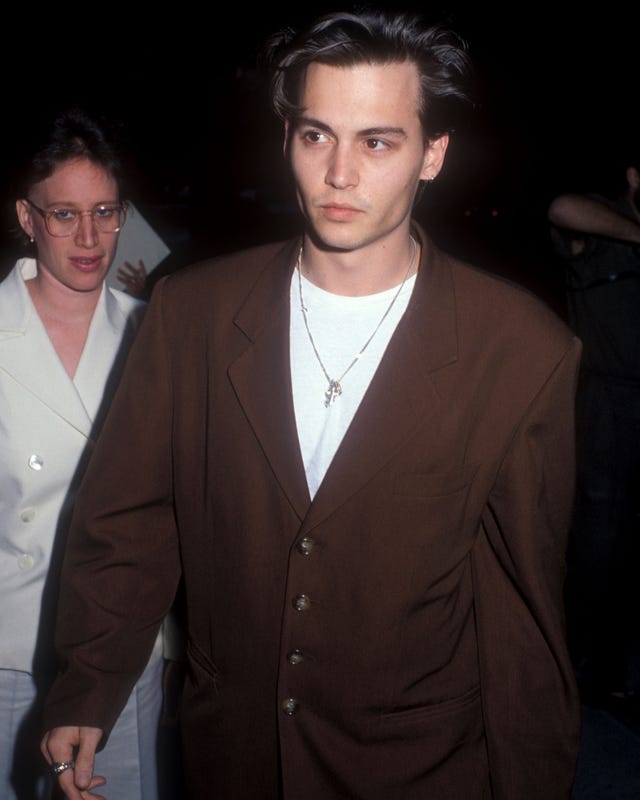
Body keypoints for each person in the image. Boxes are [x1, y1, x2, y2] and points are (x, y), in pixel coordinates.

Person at [41, 11, 582, 799]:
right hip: (233, 755)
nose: (338, 174)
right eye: (315, 135)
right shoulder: (192, 313)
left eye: (377, 142)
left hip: (419, 765)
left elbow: (522, 615)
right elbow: (130, 517)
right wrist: (89, 681)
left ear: (432, 155)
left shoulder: (522, 349)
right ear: (286, 138)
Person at [0, 108, 167, 800]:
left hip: (121, 645)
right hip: (9, 650)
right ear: (26, 218)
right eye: (64, 215)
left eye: (104, 211)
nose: (90, 236)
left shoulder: (157, 333)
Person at [548, 159, 640, 707]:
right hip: (605, 403)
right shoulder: (601, 229)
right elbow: (560, 208)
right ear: (634, 177)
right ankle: (561, 667)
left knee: (631, 547)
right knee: (595, 541)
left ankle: (607, 672)